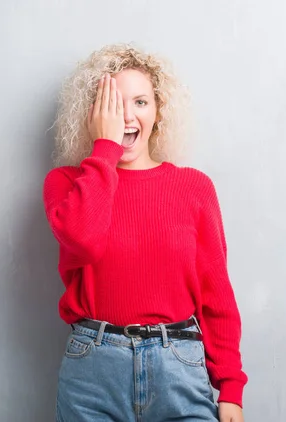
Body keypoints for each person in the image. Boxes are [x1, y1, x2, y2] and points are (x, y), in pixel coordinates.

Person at [42, 43, 247, 422]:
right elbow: (83, 238)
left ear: (158, 112)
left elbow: (216, 294)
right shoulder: (66, 184)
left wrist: (230, 388)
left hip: (179, 367)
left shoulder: (193, 187)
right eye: (112, 104)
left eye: (140, 102)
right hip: (93, 370)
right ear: (91, 115)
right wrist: (104, 146)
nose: (126, 116)